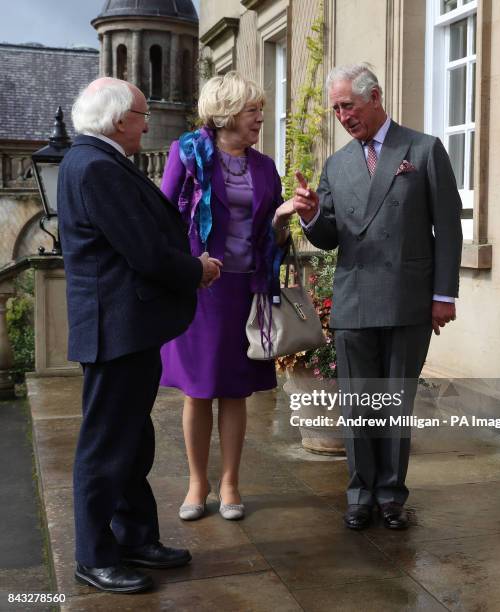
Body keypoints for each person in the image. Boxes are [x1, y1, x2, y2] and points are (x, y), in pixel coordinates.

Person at [57, 77, 221, 594]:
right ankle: (94, 556)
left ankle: (134, 537)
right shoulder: (96, 166)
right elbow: (145, 253)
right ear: (118, 119)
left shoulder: (97, 161)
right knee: (106, 448)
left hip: (127, 328)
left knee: (133, 440)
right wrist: (197, 271)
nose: (149, 123)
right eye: (143, 114)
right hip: (115, 330)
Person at [293, 64, 462, 531]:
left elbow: (447, 229)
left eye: (348, 105)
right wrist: (310, 216)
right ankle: (359, 495)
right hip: (354, 301)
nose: (342, 116)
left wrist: (442, 295)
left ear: (375, 97)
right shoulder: (337, 164)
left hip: (408, 300)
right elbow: (329, 236)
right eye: (336, 109)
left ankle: (391, 495)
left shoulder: (423, 150)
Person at [159, 71, 294, 521]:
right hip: (200, 289)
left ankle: (231, 482)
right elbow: (164, 219)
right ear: (227, 114)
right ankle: (197, 484)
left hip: (245, 289)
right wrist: (186, 269)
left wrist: (285, 218)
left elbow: (270, 236)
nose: (260, 118)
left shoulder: (264, 167)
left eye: (259, 110)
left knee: (236, 390)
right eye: (253, 110)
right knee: (198, 392)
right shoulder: (188, 153)